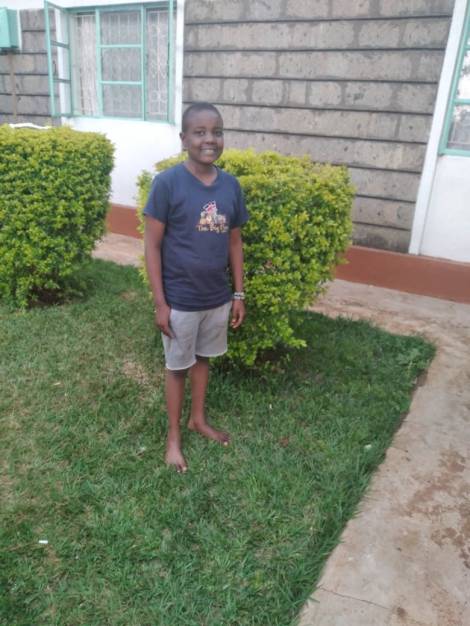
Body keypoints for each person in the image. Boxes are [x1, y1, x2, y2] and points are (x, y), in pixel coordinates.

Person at [143, 102, 249, 472]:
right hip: (180, 300)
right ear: (184, 138)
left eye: (216, 132)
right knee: (177, 367)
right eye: (199, 132)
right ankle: (173, 437)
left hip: (215, 297)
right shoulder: (167, 184)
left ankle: (197, 419)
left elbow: (234, 242)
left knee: (202, 359)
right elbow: (152, 246)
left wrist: (238, 293)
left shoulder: (230, 186)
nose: (209, 139)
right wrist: (161, 303)